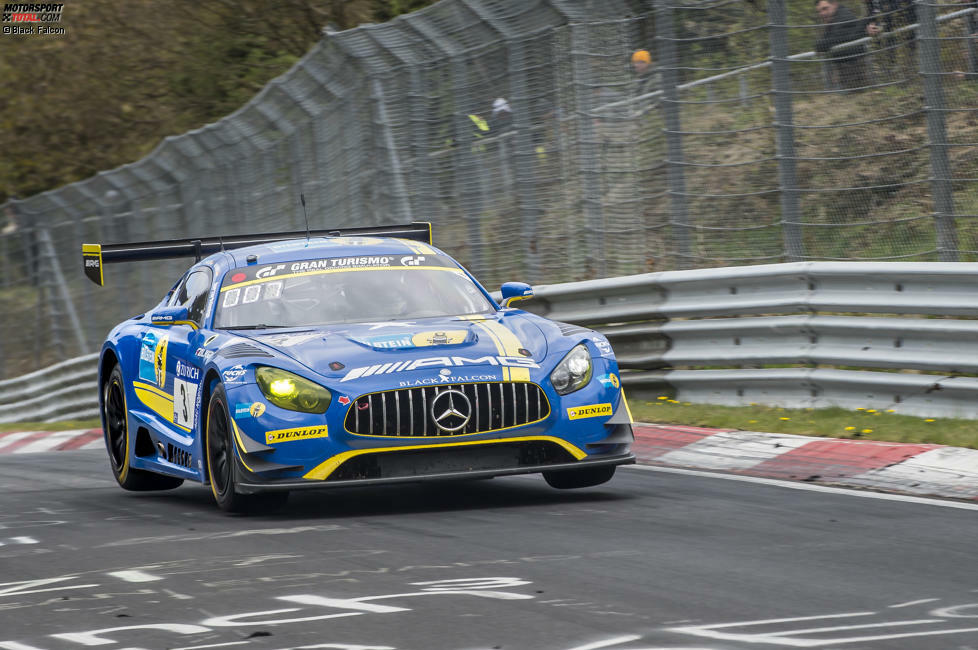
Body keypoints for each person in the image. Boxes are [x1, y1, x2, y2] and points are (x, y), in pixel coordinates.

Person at [814, 0, 879, 89]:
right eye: (820, 11)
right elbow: (822, 43)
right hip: (845, 72)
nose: (822, 13)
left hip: (854, 72)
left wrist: (822, 45)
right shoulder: (833, 20)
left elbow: (828, 42)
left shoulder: (844, 17)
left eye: (825, 9)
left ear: (834, 4)